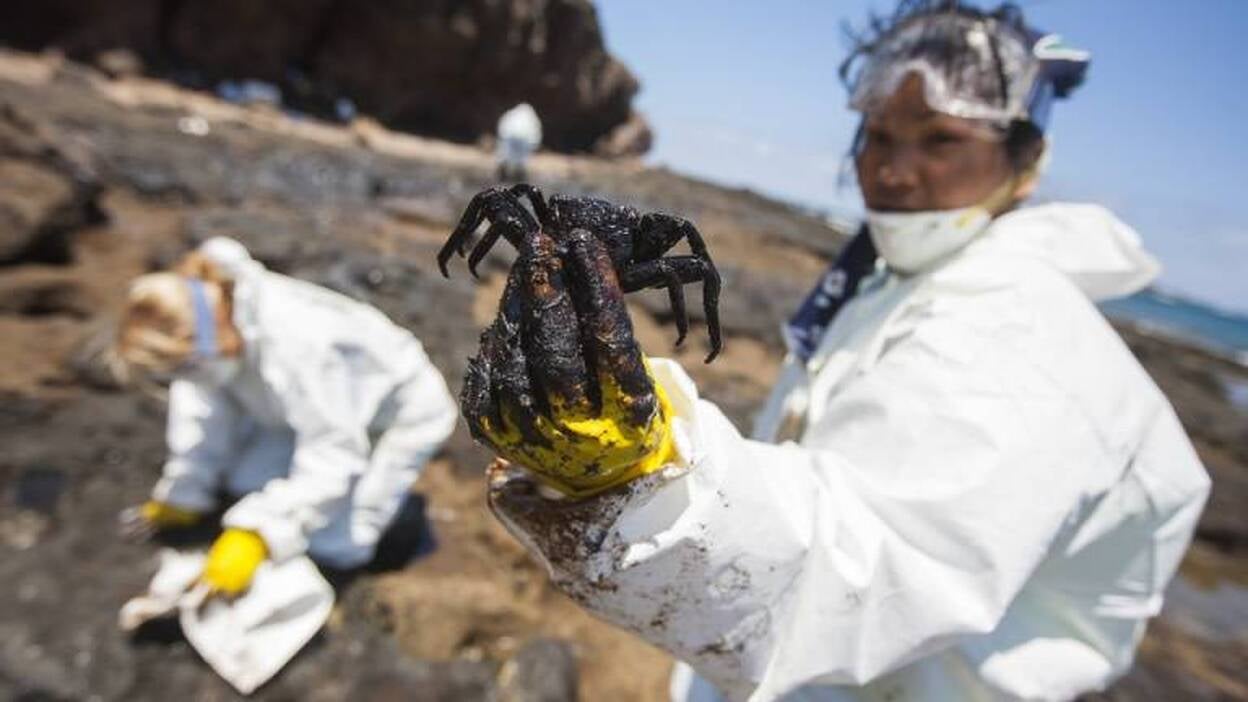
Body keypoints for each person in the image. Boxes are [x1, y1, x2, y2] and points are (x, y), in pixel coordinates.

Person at [467, 2, 1211, 700]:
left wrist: (651, 471)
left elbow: (871, 564)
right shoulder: (899, 278)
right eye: (878, 136)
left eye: (941, 140)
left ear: (1027, 160)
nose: (893, 170)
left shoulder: (1016, 333)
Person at [114, 237, 457, 595]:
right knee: (245, 481)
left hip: (395, 418)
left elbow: (334, 453)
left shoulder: (296, 341)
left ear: (195, 342)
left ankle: (396, 528)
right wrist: (183, 492)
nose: (183, 381)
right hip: (306, 414)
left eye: (184, 368)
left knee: (337, 544)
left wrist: (258, 534)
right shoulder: (209, 338)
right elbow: (201, 415)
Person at [496, 102, 542, 181]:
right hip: (521, 139)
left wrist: (503, 137)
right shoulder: (530, 118)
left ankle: (506, 176)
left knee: (507, 157)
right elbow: (535, 131)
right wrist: (534, 143)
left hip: (512, 138)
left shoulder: (511, 114)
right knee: (520, 160)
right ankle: (515, 176)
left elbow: (503, 126)